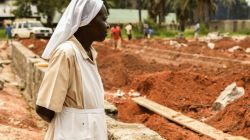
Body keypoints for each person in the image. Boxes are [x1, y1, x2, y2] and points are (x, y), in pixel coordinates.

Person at [35, 0, 109, 140]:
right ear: (86, 21)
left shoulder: (90, 54)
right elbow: (44, 108)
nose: (108, 25)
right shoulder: (66, 53)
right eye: (103, 19)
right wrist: (73, 122)